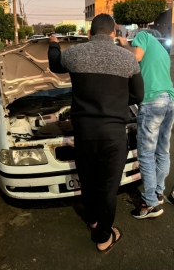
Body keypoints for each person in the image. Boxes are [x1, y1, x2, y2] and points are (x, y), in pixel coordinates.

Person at [48, 14, 144, 252]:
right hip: (113, 135)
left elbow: (54, 64)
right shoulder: (127, 59)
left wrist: (53, 43)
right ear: (113, 33)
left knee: (88, 182)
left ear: (90, 33)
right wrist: (117, 103)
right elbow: (138, 96)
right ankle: (103, 237)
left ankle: (92, 220)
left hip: (84, 134)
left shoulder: (74, 54)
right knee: (108, 188)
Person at [117, 29, 174, 219]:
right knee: (162, 150)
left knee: (146, 154)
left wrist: (124, 44)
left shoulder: (142, 36)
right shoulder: (161, 52)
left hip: (153, 102)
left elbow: (135, 57)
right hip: (170, 101)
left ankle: (150, 203)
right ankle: (158, 192)